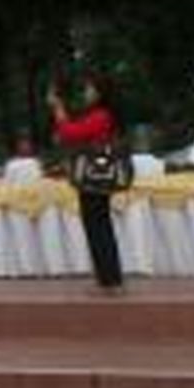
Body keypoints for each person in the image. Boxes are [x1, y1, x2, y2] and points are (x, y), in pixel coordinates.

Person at [48, 74, 124, 292]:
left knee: (97, 228)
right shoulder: (100, 115)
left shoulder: (101, 115)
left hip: (93, 178)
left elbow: (70, 133)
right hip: (96, 176)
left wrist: (58, 108)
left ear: (100, 93)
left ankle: (110, 281)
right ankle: (109, 279)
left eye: (89, 89)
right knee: (99, 226)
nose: (85, 93)